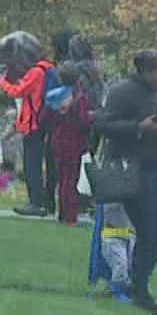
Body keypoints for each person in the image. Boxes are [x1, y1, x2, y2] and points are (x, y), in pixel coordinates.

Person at [94, 50, 157, 314]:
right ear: (143, 71)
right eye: (156, 73)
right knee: (149, 229)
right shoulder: (123, 93)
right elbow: (103, 124)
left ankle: (137, 278)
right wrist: (138, 127)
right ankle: (139, 288)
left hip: (155, 166)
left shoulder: (154, 95)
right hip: (132, 167)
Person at [0, 31, 61, 219]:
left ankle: (35, 202)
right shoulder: (49, 68)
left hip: (34, 124)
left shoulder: (36, 72)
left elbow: (17, 91)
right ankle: (48, 202)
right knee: (47, 164)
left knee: (32, 165)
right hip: (44, 123)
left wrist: (0, 81)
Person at [51, 31, 101, 225]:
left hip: (65, 136)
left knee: (65, 175)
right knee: (79, 170)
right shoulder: (95, 72)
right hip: (82, 130)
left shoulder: (66, 90)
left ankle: (67, 210)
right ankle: (81, 204)